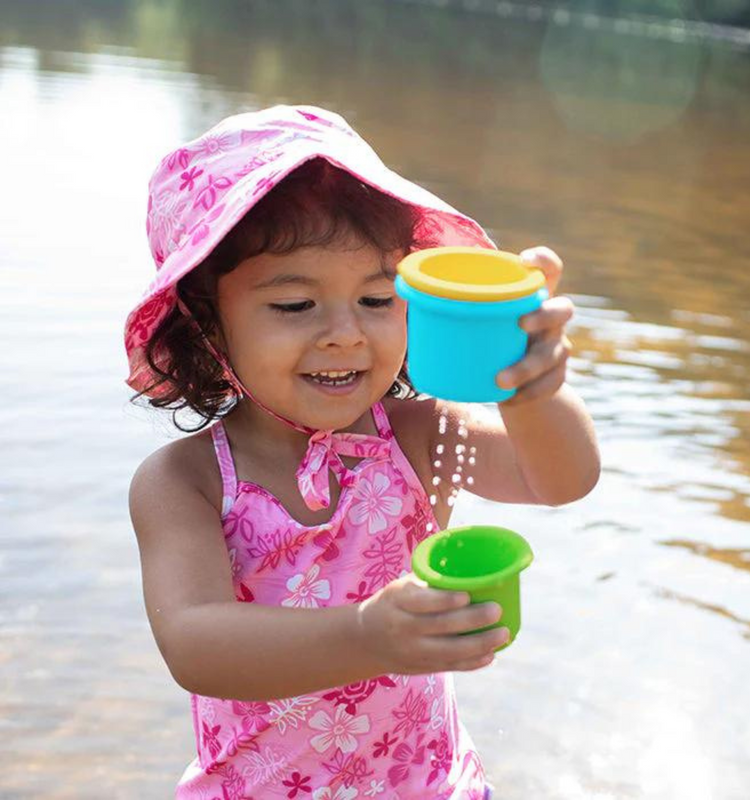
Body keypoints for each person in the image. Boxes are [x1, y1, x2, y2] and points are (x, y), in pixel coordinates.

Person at [126, 105, 600, 799]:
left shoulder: (412, 435)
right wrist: (365, 637)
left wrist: (530, 389)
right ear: (206, 325)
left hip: (429, 783)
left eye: (378, 299)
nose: (346, 335)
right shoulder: (186, 481)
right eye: (295, 306)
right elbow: (194, 645)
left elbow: (559, 479)